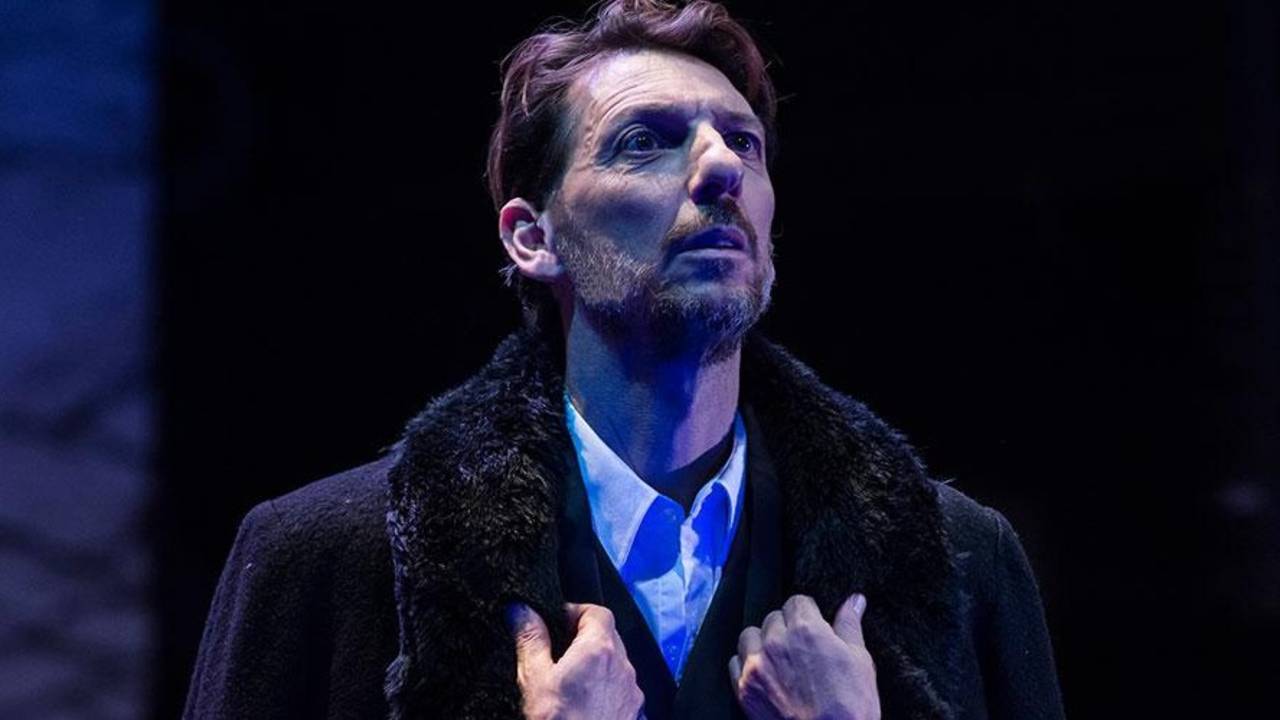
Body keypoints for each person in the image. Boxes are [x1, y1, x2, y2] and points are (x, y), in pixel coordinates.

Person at [183, 1, 1066, 718]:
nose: (720, 168)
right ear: (534, 238)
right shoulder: (326, 559)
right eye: (645, 140)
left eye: (744, 142)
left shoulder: (961, 563)